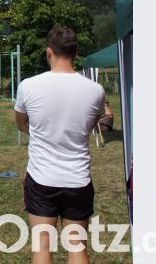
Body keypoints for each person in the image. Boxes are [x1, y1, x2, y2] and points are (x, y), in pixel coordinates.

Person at [14, 26, 105, 264]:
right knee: (77, 249)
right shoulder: (95, 90)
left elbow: (22, 124)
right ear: (76, 53)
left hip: (42, 178)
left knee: (42, 248)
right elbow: (91, 125)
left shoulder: (28, 86)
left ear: (48, 52)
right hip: (78, 178)